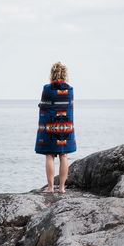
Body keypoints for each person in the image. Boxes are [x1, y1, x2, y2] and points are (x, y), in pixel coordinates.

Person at [35, 62, 77, 194]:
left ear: (52, 74)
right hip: (65, 127)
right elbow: (69, 108)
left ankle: (50, 187)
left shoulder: (47, 89)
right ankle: (62, 188)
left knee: (49, 155)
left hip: (51, 127)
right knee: (64, 155)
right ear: (65, 74)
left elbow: (44, 107)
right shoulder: (70, 90)